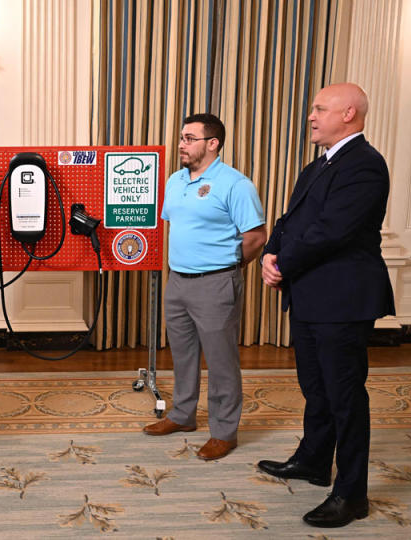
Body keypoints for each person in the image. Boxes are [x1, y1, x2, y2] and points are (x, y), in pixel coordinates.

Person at [258, 83, 395, 528]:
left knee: (345, 398)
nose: (311, 116)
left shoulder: (366, 166)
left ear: (349, 113)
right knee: (316, 388)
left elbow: (332, 232)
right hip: (311, 296)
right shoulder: (319, 164)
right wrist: (270, 255)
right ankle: (314, 461)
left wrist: (284, 264)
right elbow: (290, 220)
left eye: (320, 108)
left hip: (342, 299)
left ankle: (352, 494)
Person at [143, 113, 266, 462]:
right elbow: (178, 226)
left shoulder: (235, 184)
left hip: (215, 284)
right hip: (177, 281)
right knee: (182, 355)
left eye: (190, 138)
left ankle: (224, 432)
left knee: (221, 361)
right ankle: (182, 415)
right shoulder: (174, 181)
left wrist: (228, 265)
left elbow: (256, 237)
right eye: (181, 137)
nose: (181, 144)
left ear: (212, 143)